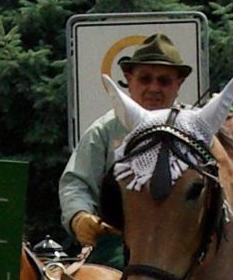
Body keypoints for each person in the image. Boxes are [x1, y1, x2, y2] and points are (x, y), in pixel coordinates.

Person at [60, 34, 191, 267]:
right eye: (145, 79)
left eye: (164, 81)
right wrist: (79, 217)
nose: (154, 88)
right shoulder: (104, 130)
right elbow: (76, 183)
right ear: (129, 79)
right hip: (118, 246)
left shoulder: (196, 130)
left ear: (178, 84)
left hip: (186, 245)